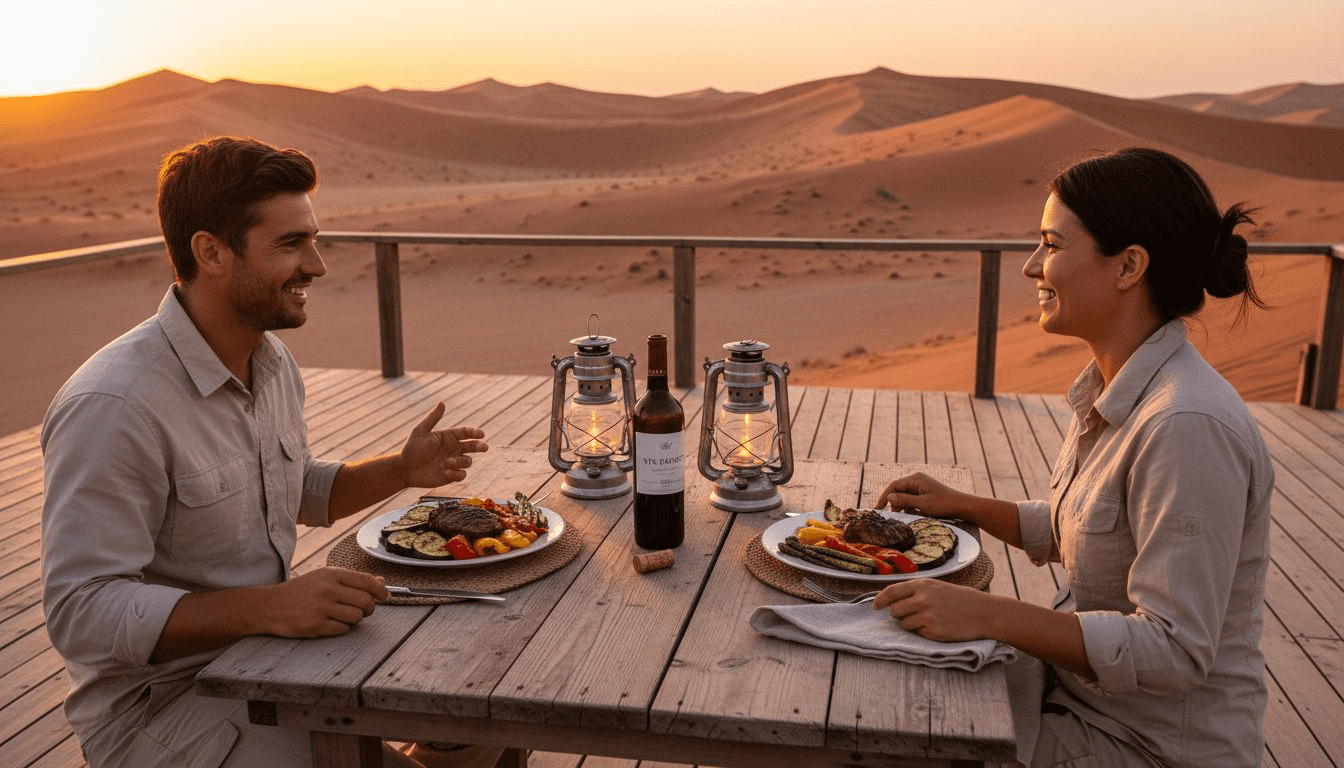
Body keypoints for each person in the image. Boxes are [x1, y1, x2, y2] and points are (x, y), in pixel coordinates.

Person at [40, 136, 496, 768]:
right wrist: (271, 606)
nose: (318, 264)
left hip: (269, 652)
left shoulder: (268, 359)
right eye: (290, 244)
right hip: (161, 705)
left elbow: (284, 484)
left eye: (313, 239)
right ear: (211, 253)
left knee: (491, 696)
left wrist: (399, 470)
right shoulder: (116, 405)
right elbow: (80, 613)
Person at [873, 147, 1274, 767]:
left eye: (1053, 245)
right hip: (1077, 698)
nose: (1033, 267)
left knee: (887, 733)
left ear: (1128, 266)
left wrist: (990, 614)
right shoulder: (1120, 388)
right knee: (885, 675)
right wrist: (967, 507)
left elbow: (1174, 649)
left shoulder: (1185, 425)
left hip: (1146, 745)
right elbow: (1091, 528)